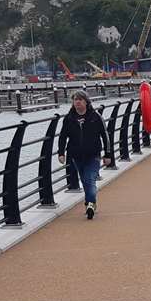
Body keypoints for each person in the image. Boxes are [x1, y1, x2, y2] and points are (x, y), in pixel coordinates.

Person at [57, 89, 112, 219]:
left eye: (80, 100)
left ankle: (91, 203)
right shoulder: (69, 118)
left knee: (89, 180)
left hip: (93, 155)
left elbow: (105, 136)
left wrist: (108, 154)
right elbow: (63, 136)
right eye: (75, 100)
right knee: (85, 180)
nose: (77, 102)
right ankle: (89, 202)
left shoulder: (95, 116)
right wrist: (61, 153)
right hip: (76, 155)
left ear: (86, 102)